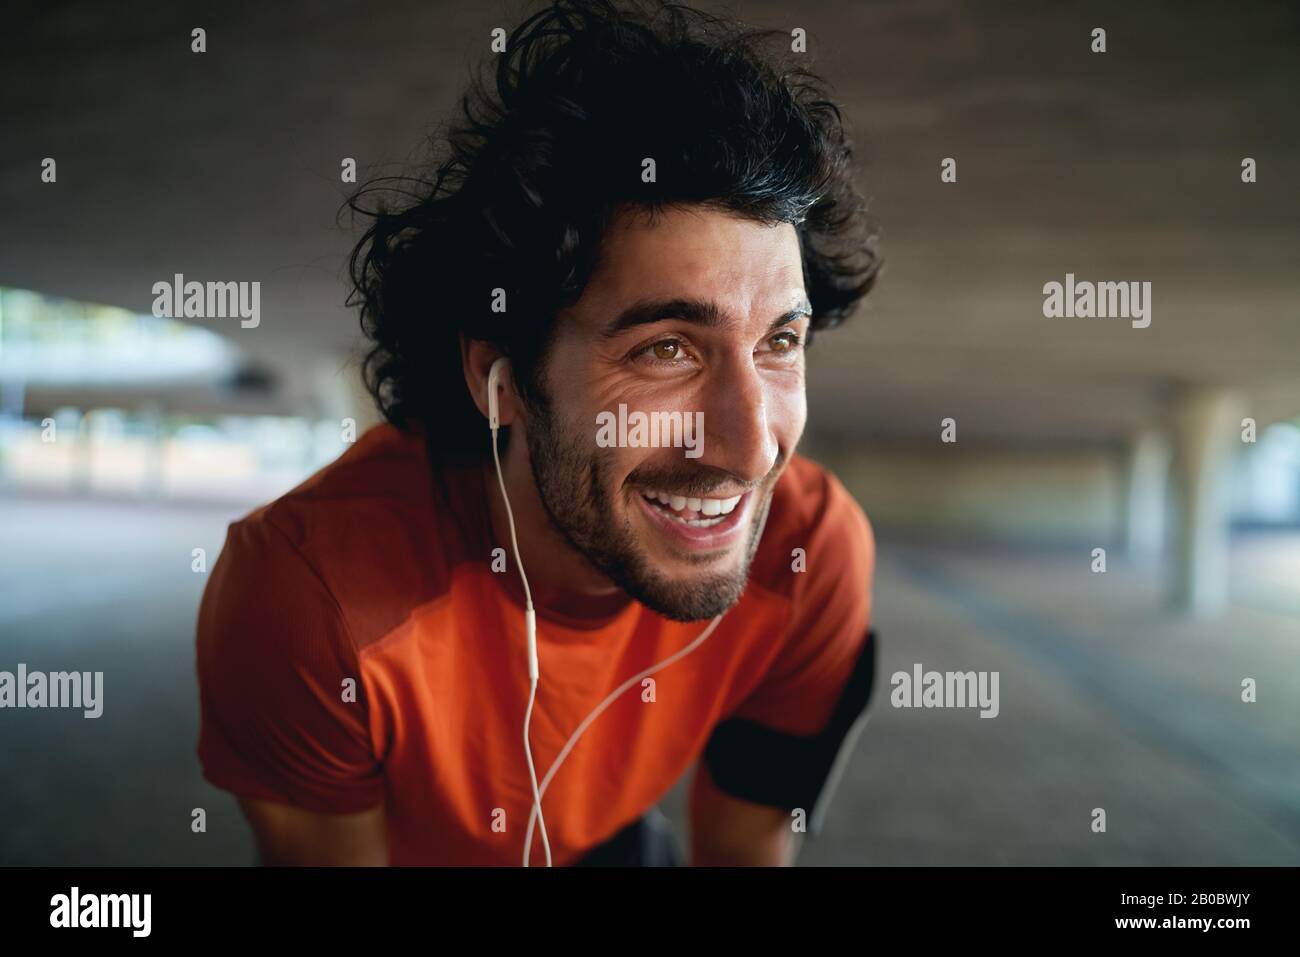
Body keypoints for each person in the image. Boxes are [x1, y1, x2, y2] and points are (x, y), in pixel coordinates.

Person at [196, 0, 881, 866]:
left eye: (779, 340)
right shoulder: (312, 599)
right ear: (503, 378)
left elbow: (746, 845)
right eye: (666, 348)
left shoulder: (807, 552)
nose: (752, 449)